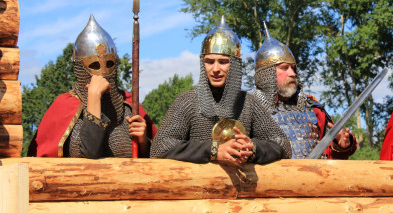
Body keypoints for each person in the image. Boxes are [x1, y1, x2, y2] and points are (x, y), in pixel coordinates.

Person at [150, 16, 291, 164]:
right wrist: (213, 150)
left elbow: (282, 144)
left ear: (235, 65)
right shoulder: (187, 101)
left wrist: (252, 148)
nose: (215, 69)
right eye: (209, 62)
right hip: (197, 185)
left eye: (223, 62)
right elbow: (160, 146)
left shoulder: (248, 102)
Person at [28, 15, 157, 158]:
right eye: (94, 65)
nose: (103, 72)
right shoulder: (64, 106)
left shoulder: (129, 106)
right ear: (80, 68)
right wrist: (94, 96)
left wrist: (144, 142)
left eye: (109, 64)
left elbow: (158, 160)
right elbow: (89, 153)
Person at [252, 26, 357, 159]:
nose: (292, 73)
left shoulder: (311, 106)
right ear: (266, 74)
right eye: (284, 68)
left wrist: (341, 144)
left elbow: (330, 154)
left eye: (293, 68)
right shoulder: (249, 107)